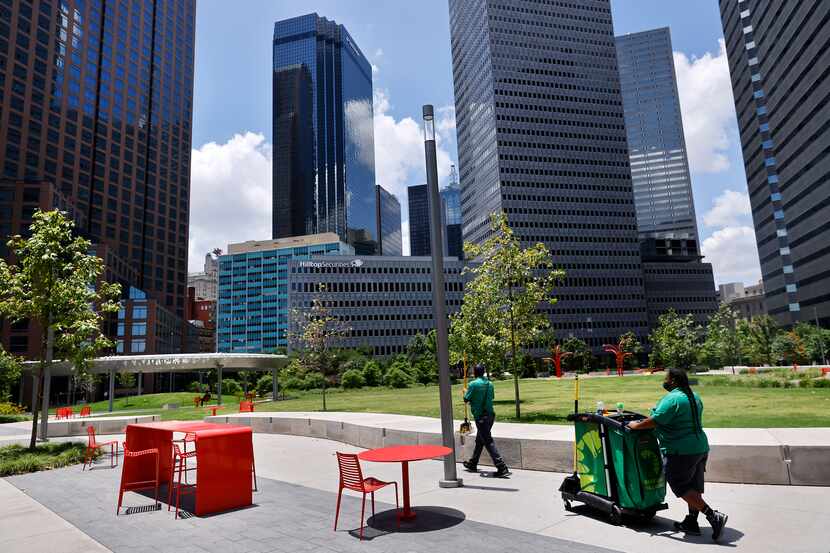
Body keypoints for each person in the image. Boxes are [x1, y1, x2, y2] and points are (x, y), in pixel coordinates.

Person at [627, 368, 728, 542]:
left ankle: (713, 516)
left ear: (673, 380)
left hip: (680, 450)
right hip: (700, 447)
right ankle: (691, 522)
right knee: (693, 486)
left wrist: (635, 426)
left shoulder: (672, 399)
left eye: (666, 378)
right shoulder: (694, 396)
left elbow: (654, 421)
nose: (665, 381)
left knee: (680, 486)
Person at [462, 364, 511, 477]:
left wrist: (465, 391)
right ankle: (473, 463)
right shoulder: (490, 384)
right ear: (483, 372)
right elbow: (491, 397)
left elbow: (466, 399)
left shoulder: (472, 384)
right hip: (490, 415)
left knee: (488, 441)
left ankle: (501, 466)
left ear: (475, 372)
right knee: (480, 440)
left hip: (480, 417)